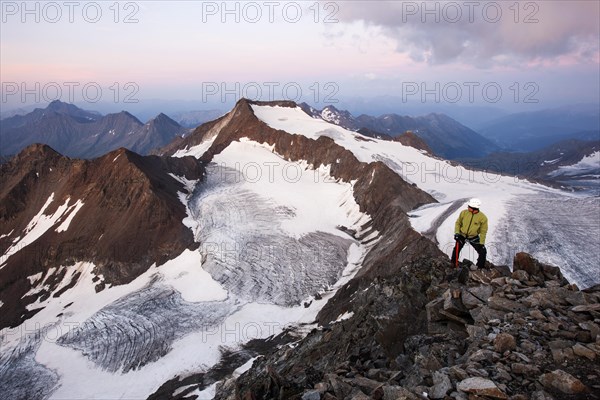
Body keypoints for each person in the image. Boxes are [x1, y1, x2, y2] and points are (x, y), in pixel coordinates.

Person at [451, 198, 488, 269]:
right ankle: (453, 263)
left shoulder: (483, 218)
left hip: (473, 237)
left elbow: (483, 231)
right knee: (456, 249)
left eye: (469, 207)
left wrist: (481, 243)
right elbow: (458, 223)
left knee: (482, 251)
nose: (468, 207)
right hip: (462, 235)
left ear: (474, 208)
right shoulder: (464, 213)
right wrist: (457, 233)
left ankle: (480, 267)